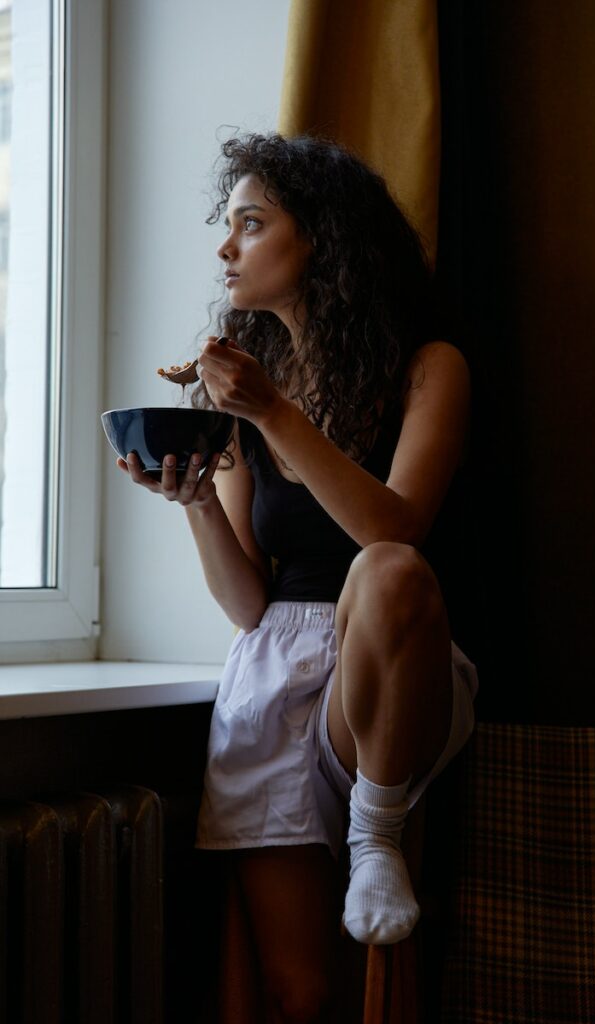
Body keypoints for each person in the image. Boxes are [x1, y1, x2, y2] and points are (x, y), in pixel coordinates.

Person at [117, 132, 478, 1024]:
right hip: (277, 669)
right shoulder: (246, 394)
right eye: (227, 225)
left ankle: (376, 829)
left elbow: (394, 529)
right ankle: (371, 840)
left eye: (250, 222)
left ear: (321, 239)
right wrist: (198, 497)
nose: (224, 246)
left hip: (388, 658)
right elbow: (247, 602)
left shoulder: (427, 369)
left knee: (388, 571)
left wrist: (274, 414)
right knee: (300, 993)